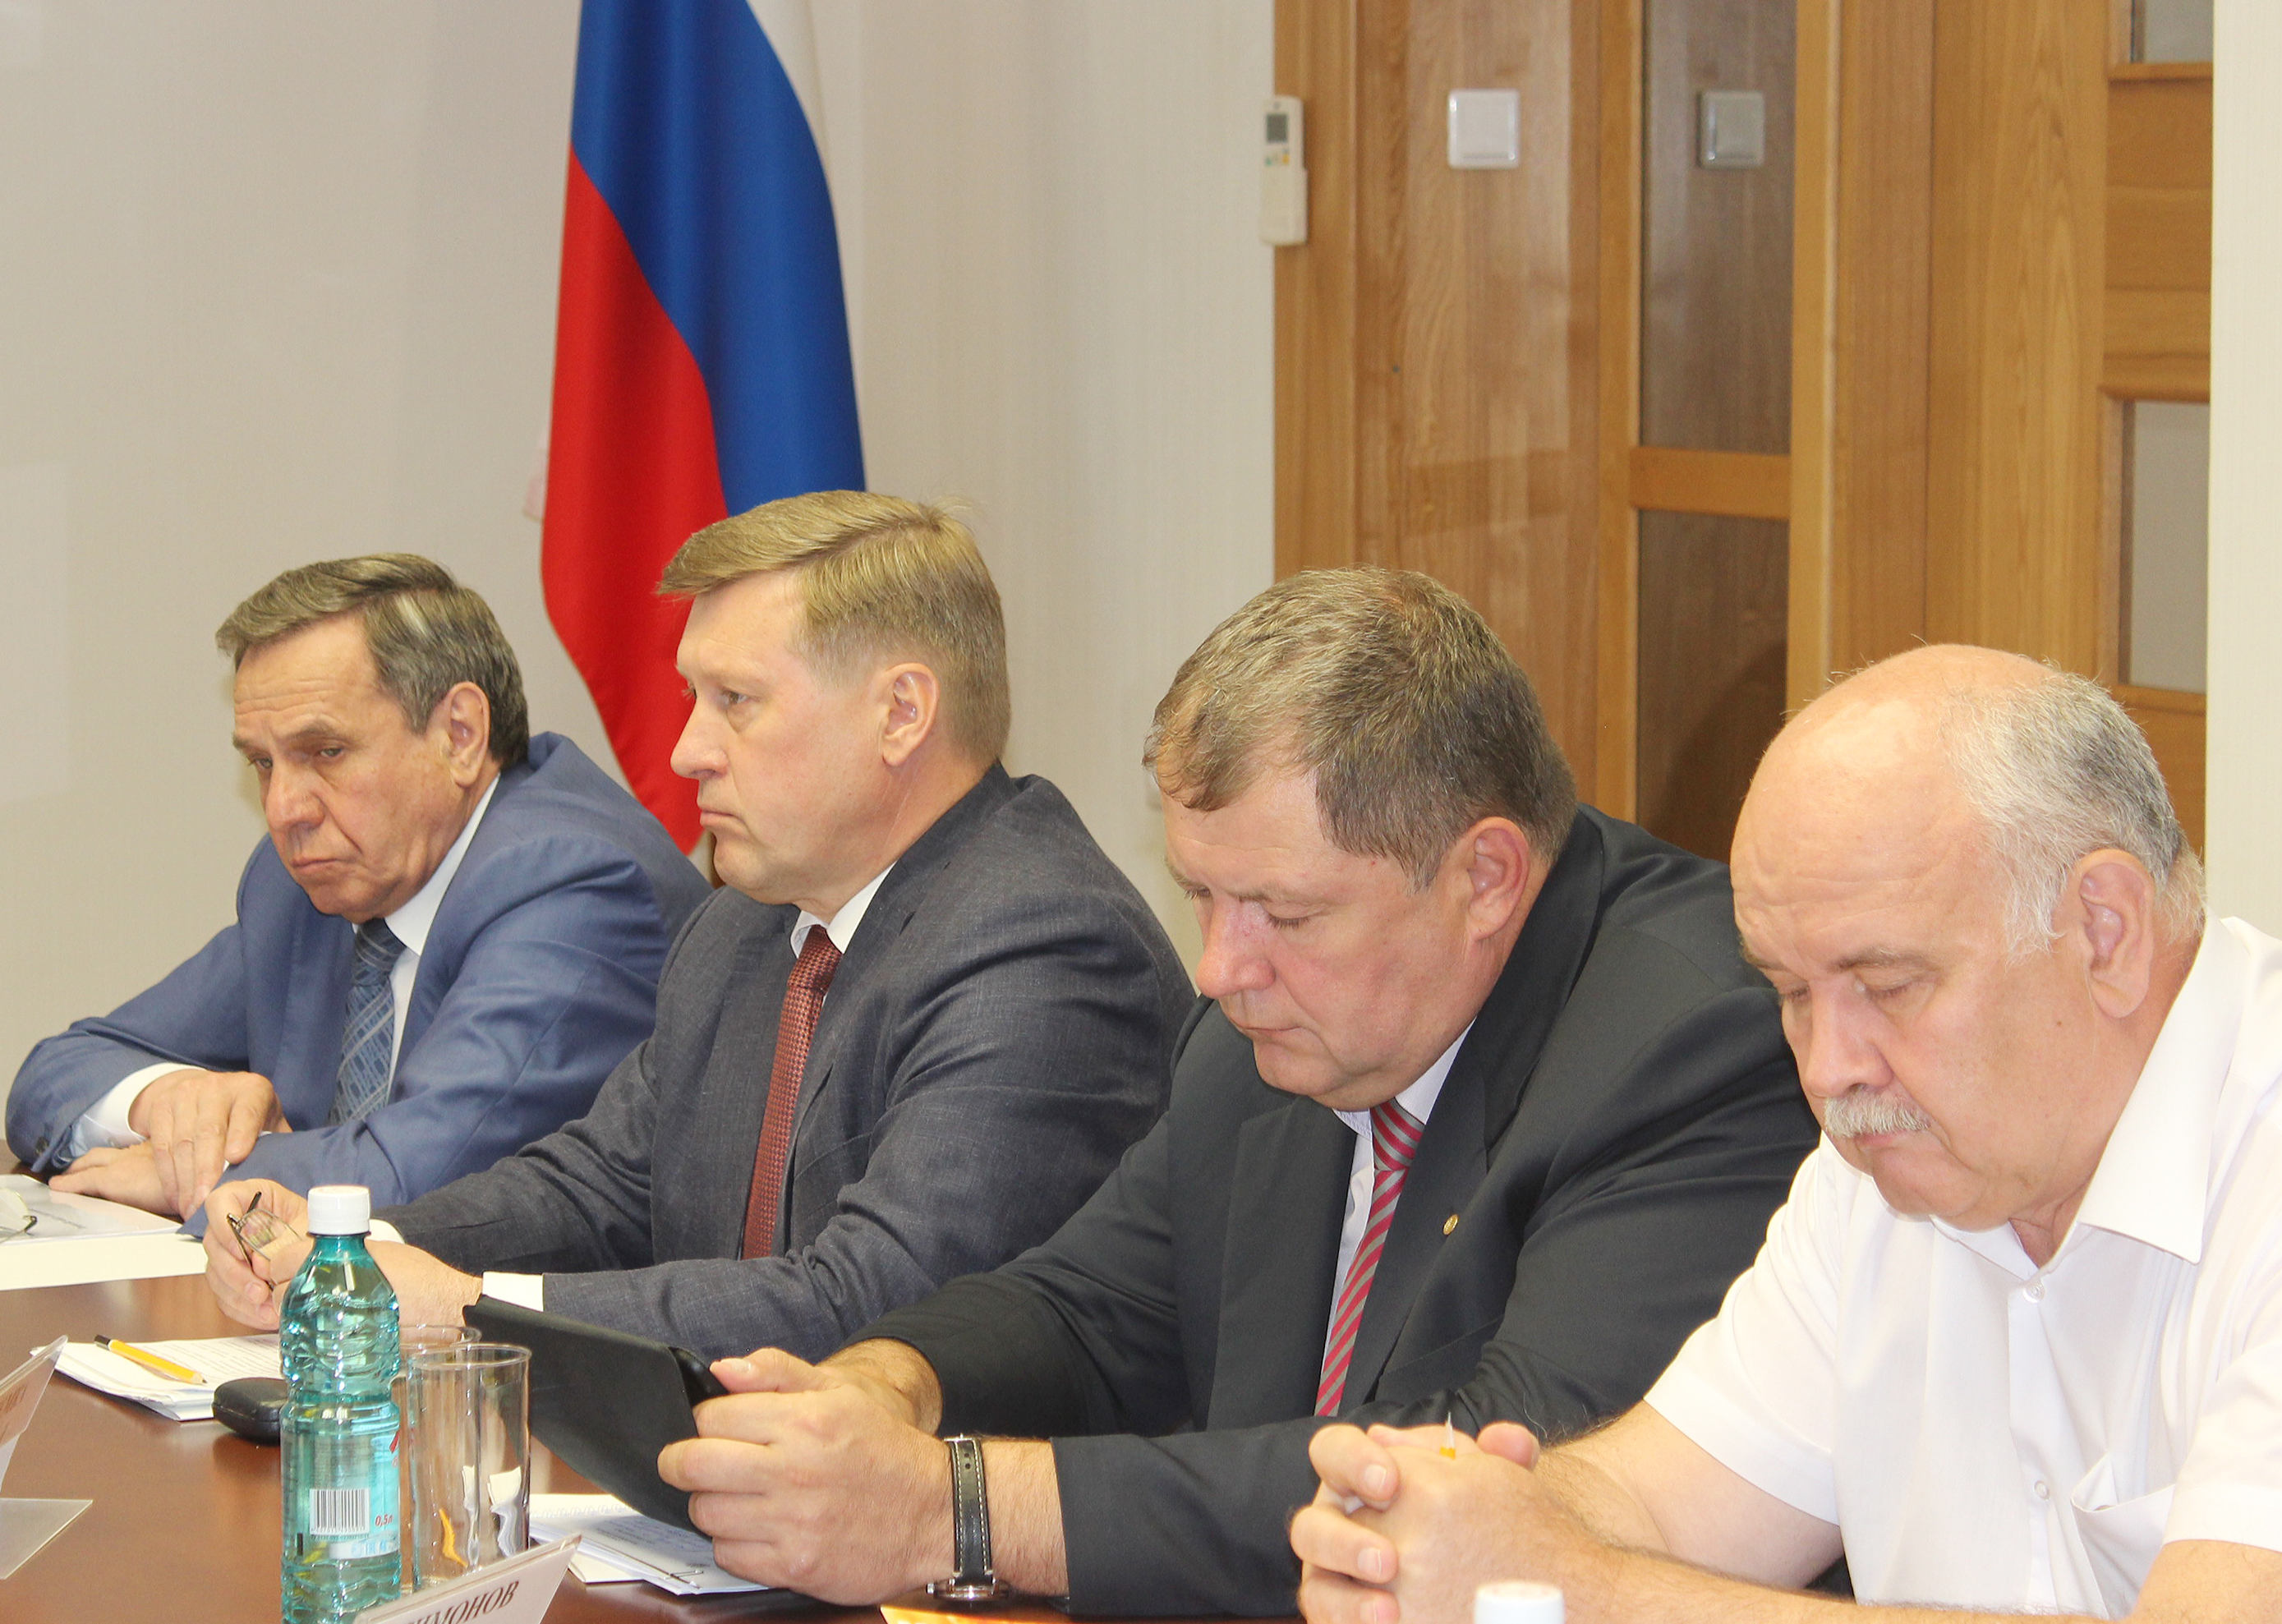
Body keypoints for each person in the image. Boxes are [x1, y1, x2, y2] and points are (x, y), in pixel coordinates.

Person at [655, 568, 1819, 1615]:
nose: (1219, 969)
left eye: (1285, 914)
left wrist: (954, 1509)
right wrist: (889, 1382)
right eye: (1202, 896)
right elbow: (1089, 1310)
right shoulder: (1275, 1029)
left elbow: (1479, 1484)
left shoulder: (1695, 1052)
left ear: (1485, 876)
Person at [1291, 645, 2282, 1624]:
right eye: (1790, 994)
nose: (1825, 1068)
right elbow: (1654, 1503)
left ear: (2103, 931)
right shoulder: (1886, 1168)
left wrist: (1586, 1589)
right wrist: (1454, 1517)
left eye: (1886, 985)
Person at [200, 493, 1193, 1363]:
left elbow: (873, 1302)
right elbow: (599, 1184)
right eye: (691, 699)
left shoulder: (1042, 948)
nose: (685, 752)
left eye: (735, 702)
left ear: (900, 713)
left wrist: (465, 1307)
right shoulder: (744, 924)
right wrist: (354, 1245)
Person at [6, 554, 702, 1224]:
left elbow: (415, 1178)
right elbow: (57, 1070)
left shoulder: (572, 884)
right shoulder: (309, 885)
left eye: (326, 752)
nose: (284, 809)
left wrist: (188, 1174)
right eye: (263, 763)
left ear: (459, 735)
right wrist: (169, 1099)